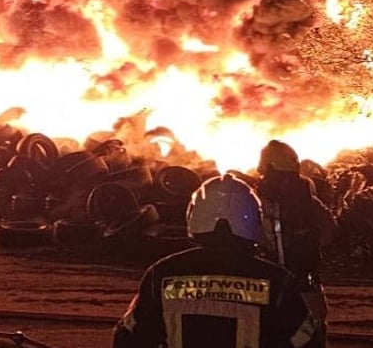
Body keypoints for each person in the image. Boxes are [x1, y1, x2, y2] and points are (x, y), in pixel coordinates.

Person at [113, 172, 322, 348]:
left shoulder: (162, 273)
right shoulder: (278, 281)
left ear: (194, 216)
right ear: (254, 220)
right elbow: (307, 343)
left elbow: (128, 340)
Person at [256, 140, 336, 345]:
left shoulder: (254, 199)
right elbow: (329, 231)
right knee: (314, 331)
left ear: (266, 166)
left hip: (267, 282)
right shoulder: (307, 197)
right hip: (306, 283)